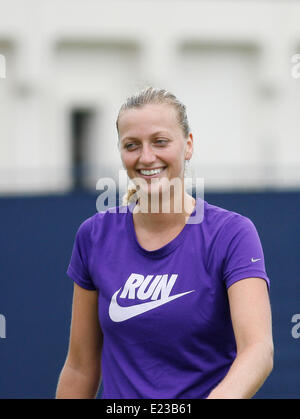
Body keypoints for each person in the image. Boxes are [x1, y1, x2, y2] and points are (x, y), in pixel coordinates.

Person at [56, 87, 273, 399]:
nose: (146, 157)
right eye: (132, 145)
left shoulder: (232, 234)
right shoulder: (94, 235)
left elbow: (257, 350)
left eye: (160, 141)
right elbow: (80, 367)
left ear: (188, 146)